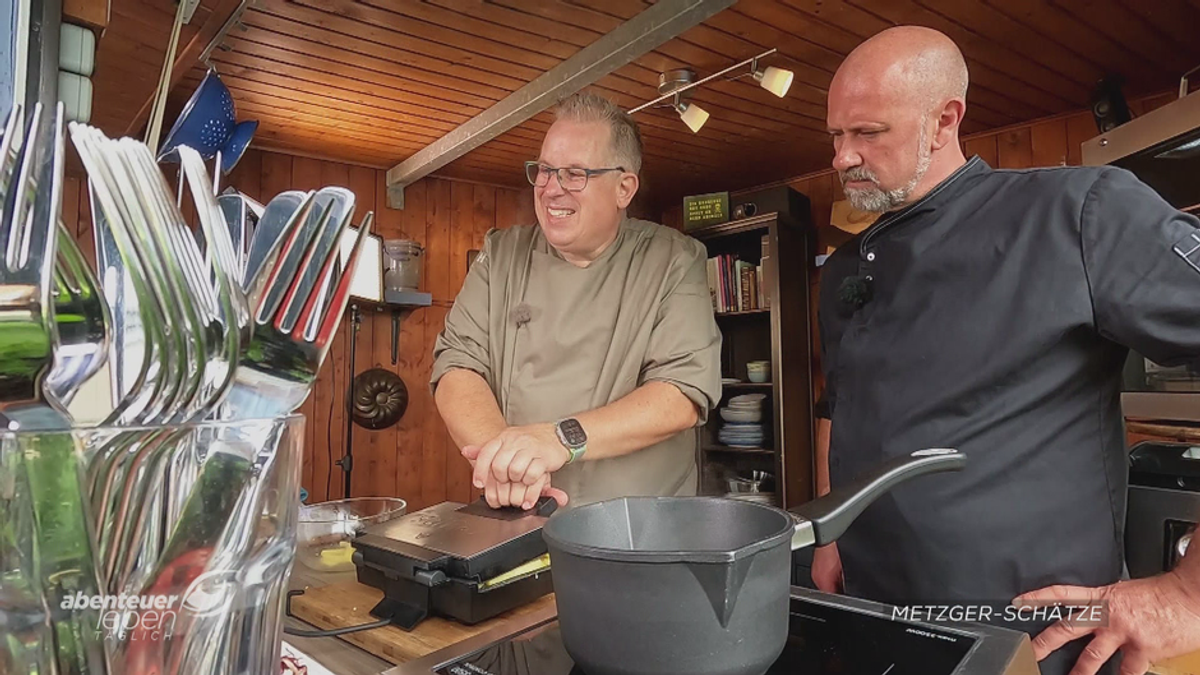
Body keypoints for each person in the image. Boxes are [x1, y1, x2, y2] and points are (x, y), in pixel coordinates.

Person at [816, 25, 1200, 675]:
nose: (842, 157)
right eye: (835, 136)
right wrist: (832, 528)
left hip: (1039, 642)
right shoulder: (846, 267)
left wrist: (1189, 593)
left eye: (868, 133)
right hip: (876, 624)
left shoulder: (1079, 214)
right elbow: (841, 403)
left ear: (945, 120)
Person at [430, 91, 722, 511]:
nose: (551, 189)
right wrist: (506, 461)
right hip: (521, 515)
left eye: (574, 173)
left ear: (624, 188)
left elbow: (681, 394)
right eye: (545, 170)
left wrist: (559, 439)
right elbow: (456, 365)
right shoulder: (502, 256)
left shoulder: (672, 259)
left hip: (639, 530)